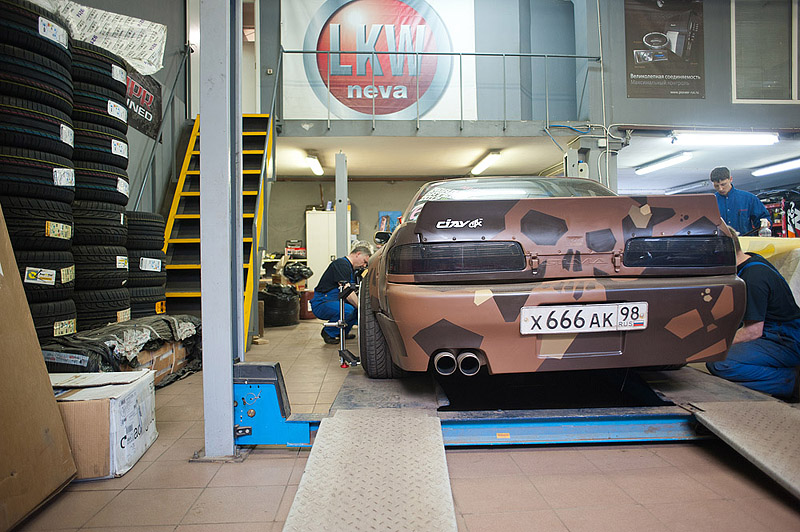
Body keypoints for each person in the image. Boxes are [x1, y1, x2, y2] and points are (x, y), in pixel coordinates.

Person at [707, 228, 800, 402]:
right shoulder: (749, 260)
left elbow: (753, 331)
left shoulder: (753, 278)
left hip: (785, 339)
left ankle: (791, 382)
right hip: (774, 334)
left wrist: (712, 346)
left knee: (719, 363)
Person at [311, 244, 372, 344]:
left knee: (355, 311)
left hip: (333, 300)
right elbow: (346, 290)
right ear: (358, 254)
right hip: (322, 302)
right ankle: (328, 332)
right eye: (364, 261)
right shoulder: (341, 264)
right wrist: (361, 307)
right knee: (348, 310)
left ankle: (342, 333)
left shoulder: (351, 268)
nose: (364, 265)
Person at [710, 166, 769, 235]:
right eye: (716, 186)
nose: (720, 189)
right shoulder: (710, 202)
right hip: (720, 240)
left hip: (744, 240)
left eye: (723, 184)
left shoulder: (749, 198)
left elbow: (763, 218)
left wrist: (765, 224)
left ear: (730, 179)